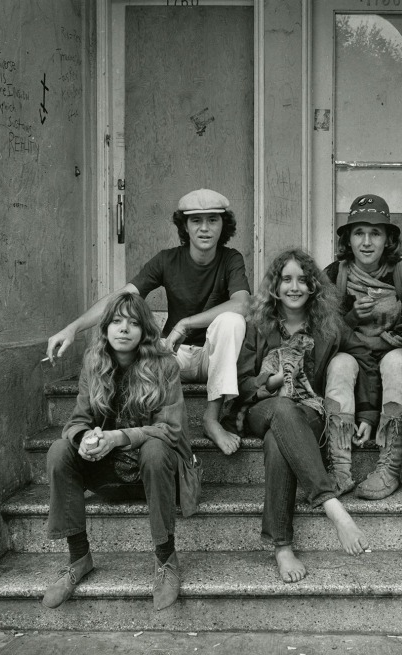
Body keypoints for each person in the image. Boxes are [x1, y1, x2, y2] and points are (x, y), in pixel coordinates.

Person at [46, 188, 251, 456]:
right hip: (174, 356)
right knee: (135, 350)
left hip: (216, 356)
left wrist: (185, 323)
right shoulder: (167, 260)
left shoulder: (231, 258)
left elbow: (243, 303)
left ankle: (211, 419)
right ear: (184, 226)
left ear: (224, 225)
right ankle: (132, 430)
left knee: (232, 321)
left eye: (213, 220)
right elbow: (121, 297)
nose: (204, 228)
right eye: (196, 221)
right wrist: (72, 328)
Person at [43, 292, 201, 611]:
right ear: (105, 328)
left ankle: (166, 559)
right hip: (110, 472)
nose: (123, 329)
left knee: (156, 449)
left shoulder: (164, 364)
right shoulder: (95, 362)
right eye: (116, 321)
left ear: (144, 330)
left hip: (156, 476)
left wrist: (117, 437)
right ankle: (78, 558)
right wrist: (86, 439)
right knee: (60, 450)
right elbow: (77, 420)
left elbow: (170, 430)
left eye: (132, 322)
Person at [234, 248, 378, 583]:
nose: (294, 286)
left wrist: (369, 413)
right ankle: (332, 507)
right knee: (281, 412)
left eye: (302, 279)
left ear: (314, 286)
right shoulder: (256, 325)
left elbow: (366, 360)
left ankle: (282, 547)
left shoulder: (329, 326)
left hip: (308, 412)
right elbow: (240, 383)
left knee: (277, 442)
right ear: (275, 286)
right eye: (286, 279)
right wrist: (266, 382)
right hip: (263, 407)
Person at [323, 194, 402, 499]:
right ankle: (339, 468)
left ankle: (389, 469)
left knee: (395, 360)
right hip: (354, 366)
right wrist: (352, 318)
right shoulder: (334, 275)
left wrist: (396, 335)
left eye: (375, 233)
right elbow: (324, 337)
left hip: (395, 374)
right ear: (348, 240)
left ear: (387, 240)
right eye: (358, 233)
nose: (366, 242)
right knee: (339, 363)